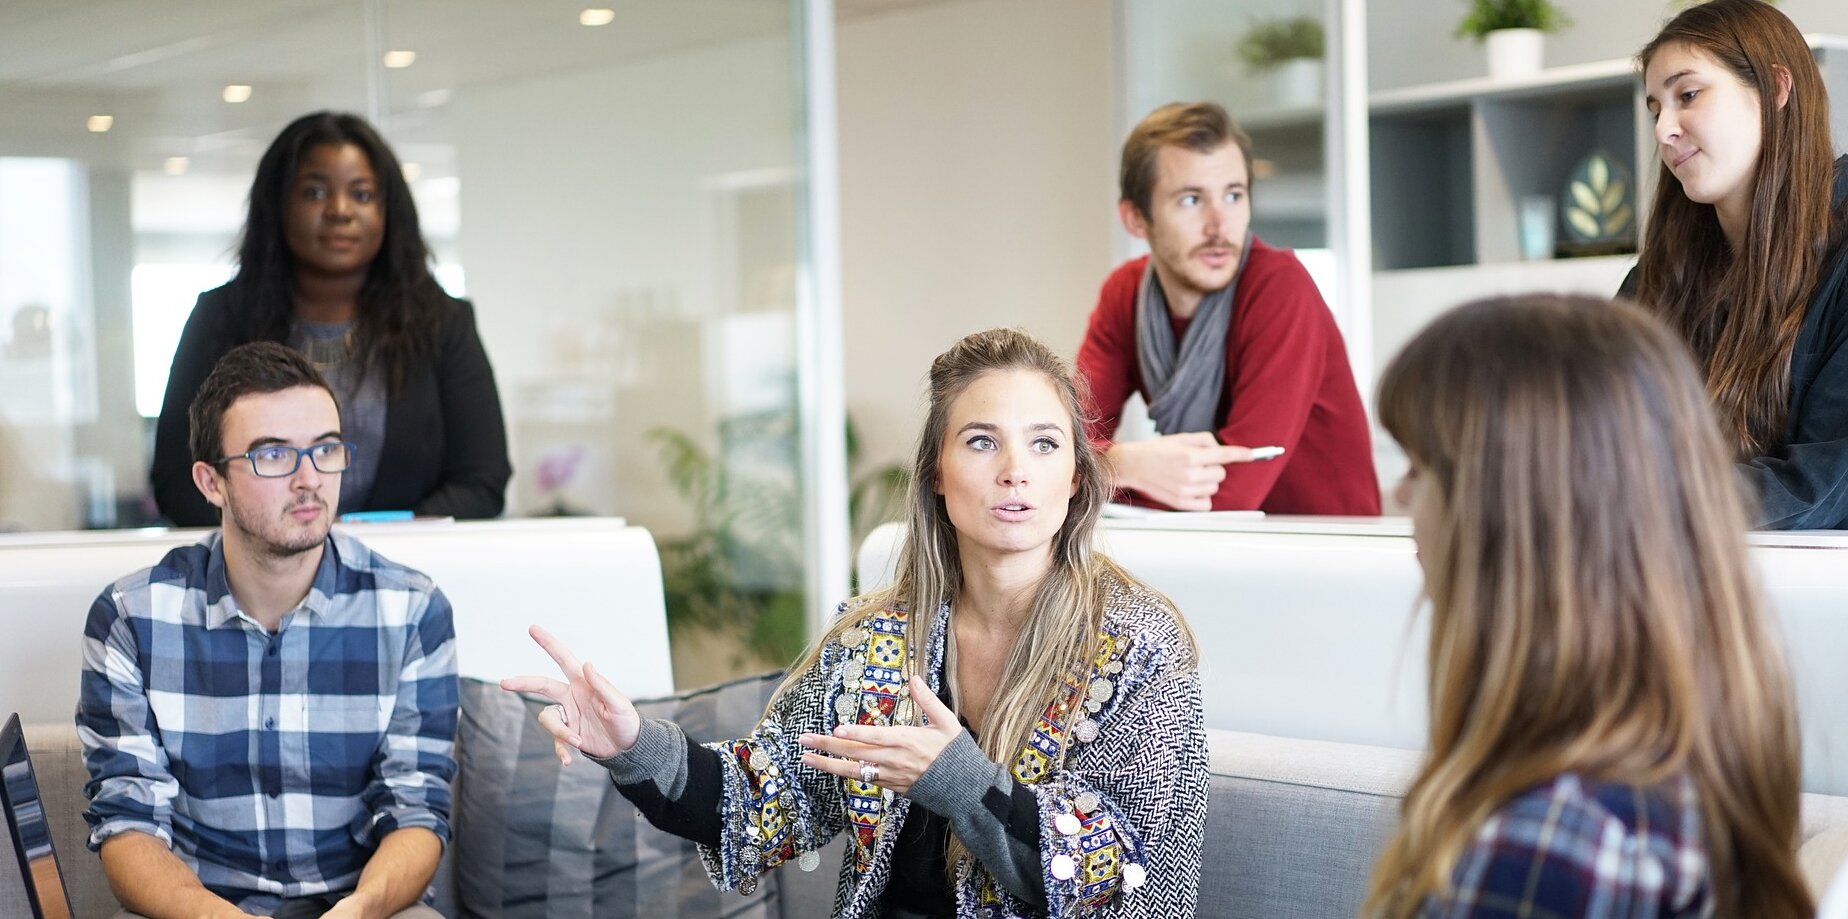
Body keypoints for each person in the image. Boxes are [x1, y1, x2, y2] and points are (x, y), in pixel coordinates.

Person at [504, 328, 1207, 918]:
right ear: (937, 470)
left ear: (1076, 477)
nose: (1016, 470)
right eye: (983, 441)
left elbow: (1116, 873)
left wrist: (960, 780)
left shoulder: (1141, 645)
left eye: (1046, 444)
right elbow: (761, 799)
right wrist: (630, 744)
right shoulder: (877, 636)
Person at [1365, 296, 1812, 918]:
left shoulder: (1550, 844)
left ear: (1509, 513)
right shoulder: (1677, 776)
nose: (1399, 496)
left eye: (1419, 467)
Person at [1625, 0, 1848, 786]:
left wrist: (1620, 502)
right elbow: (1597, 435)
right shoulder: (1662, 277)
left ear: (1777, 88)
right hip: (1695, 623)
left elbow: (1816, 485)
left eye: (1689, 95)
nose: (1663, 129)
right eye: (1655, 106)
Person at [80, 343, 458, 919]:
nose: (310, 479)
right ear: (211, 483)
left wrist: (361, 908)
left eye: (326, 449)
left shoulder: (412, 611)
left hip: (364, 906)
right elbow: (128, 824)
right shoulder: (131, 617)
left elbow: (417, 811)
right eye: (274, 455)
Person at [151, 110, 510, 527]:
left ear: (388, 211)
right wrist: (286, 536)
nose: (340, 211)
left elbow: (482, 481)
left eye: (361, 195)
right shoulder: (220, 319)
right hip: (259, 580)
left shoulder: (443, 324)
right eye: (315, 193)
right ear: (278, 204)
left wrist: (373, 540)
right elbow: (177, 483)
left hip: (406, 573)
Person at [1075, 101, 1378, 515]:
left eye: (1233, 195)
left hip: (1323, 555)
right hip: (1212, 552)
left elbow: (1233, 493)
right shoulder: (1124, 294)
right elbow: (1061, 445)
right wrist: (1123, 463)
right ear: (1136, 219)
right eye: (1190, 200)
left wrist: (1097, 471)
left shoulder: (1279, 287)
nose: (1220, 225)